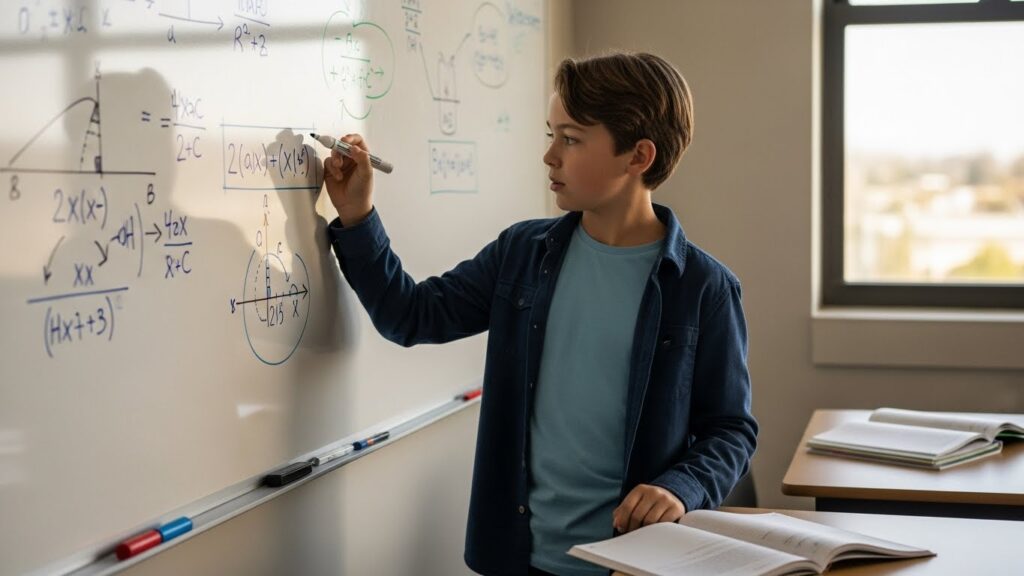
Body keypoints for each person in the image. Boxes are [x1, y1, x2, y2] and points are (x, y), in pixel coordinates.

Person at [322, 51, 757, 576]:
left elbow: (730, 428)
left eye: (570, 139)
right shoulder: (522, 255)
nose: (549, 156)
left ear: (637, 156)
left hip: (637, 563)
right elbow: (414, 315)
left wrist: (680, 487)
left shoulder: (705, 289)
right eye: (551, 134)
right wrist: (357, 214)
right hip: (518, 560)